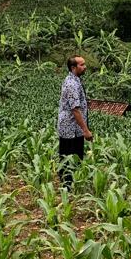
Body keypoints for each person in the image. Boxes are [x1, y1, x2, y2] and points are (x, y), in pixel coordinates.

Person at [57, 55, 92, 188]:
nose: (85, 67)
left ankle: (72, 183)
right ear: (73, 67)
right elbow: (75, 110)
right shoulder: (71, 84)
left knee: (76, 156)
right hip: (70, 127)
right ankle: (66, 186)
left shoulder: (75, 80)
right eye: (82, 65)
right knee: (68, 156)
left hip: (74, 127)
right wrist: (86, 130)